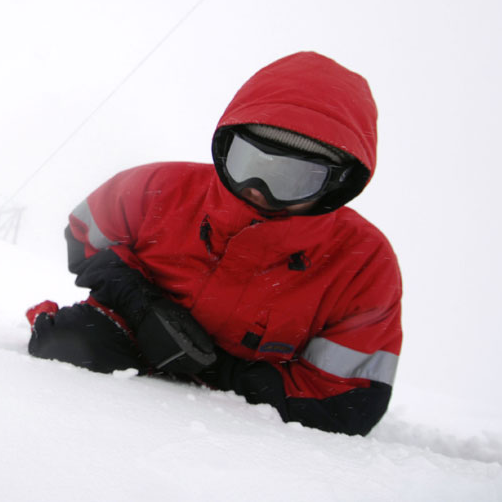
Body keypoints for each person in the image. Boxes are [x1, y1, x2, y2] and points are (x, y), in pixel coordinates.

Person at [26, 51, 402, 437]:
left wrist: (214, 368)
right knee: (64, 344)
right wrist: (143, 308)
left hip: (241, 412)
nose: (258, 190)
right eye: (249, 161)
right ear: (225, 147)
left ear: (338, 185)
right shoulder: (158, 189)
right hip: (130, 336)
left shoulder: (363, 265)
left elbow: (346, 402)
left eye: (295, 178)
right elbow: (84, 234)